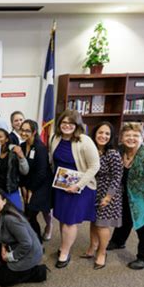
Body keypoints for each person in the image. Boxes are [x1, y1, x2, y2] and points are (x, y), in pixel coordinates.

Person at [107, 122, 144, 270]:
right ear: (121, 137)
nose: (131, 138)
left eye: (136, 135)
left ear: (142, 138)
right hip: (128, 196)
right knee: (124, 220)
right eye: (127, 135)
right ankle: (118, 241)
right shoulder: (120, 151)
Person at [48, 109, 100, 269]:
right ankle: (64, 245)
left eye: (71, 123)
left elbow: (94, 166)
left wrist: (78, 185)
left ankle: (64, 252)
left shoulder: (84, 141)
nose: (67, 126)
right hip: (61, 186)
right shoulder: (55, 137)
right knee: (62, 218)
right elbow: (52, 161)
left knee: (70, 221)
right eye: (64, 122)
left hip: (79, 188)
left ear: (77, 125)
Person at [78, 122, 123, 269]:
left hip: (108, 194)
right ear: (94, 134)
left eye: (107, 134)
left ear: (111, 137)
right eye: (100, 133)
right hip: (93, 191)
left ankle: (102, 253)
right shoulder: (92, 150)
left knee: (102, 225)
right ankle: (92, 248)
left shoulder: (113, 154)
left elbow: (117, 178)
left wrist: (108, 197)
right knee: (93, 222)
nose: (103, 136)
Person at [0, 188, 47, 287]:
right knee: (0, 262)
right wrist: (3, 246)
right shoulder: (3, 212)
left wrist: (10, 256)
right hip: (16, 246)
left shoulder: (10, 219)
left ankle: (37, 272)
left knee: (1, 279)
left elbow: (27, 243)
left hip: (29, 253)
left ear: (4, 201)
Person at [19, 120, 52, 243]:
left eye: (27, 130)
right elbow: (21, 169)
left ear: (34, 132)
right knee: (27, 214)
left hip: (41, 185)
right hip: (28, 184)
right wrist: (23, 186)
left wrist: (31, 190)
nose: (23, 132)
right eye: (22, 129)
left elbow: (41, 173)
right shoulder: (22, 146)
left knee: (30, 214)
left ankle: (38, 242)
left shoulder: (40, 148)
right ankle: (32, 240)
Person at [0, 128, 28, 212]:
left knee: (16, 216)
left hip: (11, 191)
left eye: (0, 136)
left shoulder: (13, 153)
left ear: (6, 139)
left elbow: (25, 171)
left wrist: (21, 156)